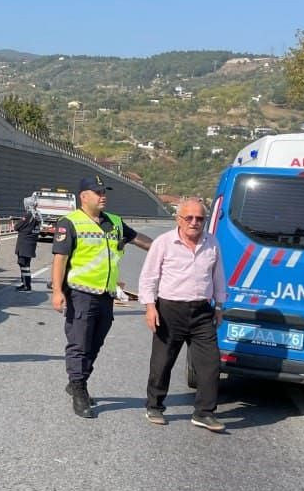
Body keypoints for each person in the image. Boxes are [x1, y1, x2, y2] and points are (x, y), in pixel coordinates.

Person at [51, 175, 152, 418]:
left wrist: (169, 245)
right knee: (79, 343)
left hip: (106, 295)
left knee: (95, 343)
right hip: (80, 294)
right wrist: (57, 291)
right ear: (83, 197)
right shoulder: (70, 223)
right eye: (97, 192)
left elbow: (140, 240)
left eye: (104, 191)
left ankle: (78, 380)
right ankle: (79, 388)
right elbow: (60, 260)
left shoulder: (115, 222)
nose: (102, 196)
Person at [138, 198, 226, 432]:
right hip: (169, 310)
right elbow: (149, 277)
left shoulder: (212, 243)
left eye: (199, 218)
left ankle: (204, 412)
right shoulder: (164, 243)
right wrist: (149, 307)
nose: (194, 222)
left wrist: (219, 306)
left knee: (210, 364)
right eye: (189, 218)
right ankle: (155, 405)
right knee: (162, 361)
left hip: (201, 312)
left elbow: (218, 276)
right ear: (179, 219)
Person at [12, 207, 41, 291]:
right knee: (25, 265)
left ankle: (27, 285)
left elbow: (17, 226)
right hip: (31, 243)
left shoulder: (29, 215)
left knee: (24, 265)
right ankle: (25, 283)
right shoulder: (38, 216)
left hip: (24, 244)